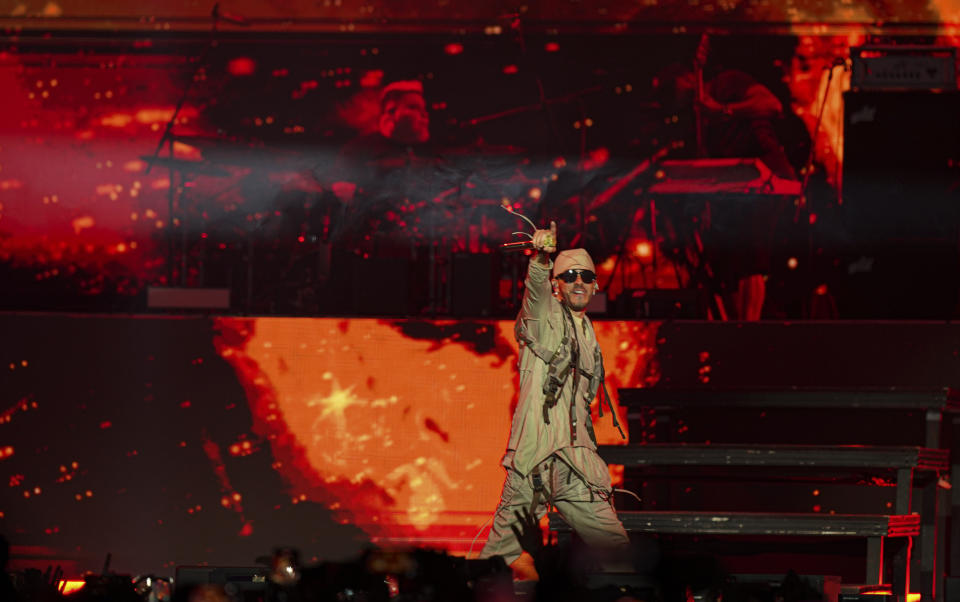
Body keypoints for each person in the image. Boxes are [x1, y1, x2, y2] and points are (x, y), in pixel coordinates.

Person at [479, 221, 631, 571]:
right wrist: (541, 260)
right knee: (496, 560)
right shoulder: (543, 317)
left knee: (617, 552)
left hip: (576, 465)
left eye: (586, 277)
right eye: (570, 275)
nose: (579, 281)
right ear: (557, 285)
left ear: (595, 286)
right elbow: (534, 292)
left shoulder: (589, 333)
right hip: (536, 459)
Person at [656, 63, 798, 320]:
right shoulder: (692, 119)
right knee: (725, 261)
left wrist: (724, 110)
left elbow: (772, 105)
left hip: (765, 179)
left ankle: (746, 327)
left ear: (688, 76)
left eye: (671, 87)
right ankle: (732, 326)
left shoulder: (728, 81)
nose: (671, 96)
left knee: (747, 255)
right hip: (734, 188)